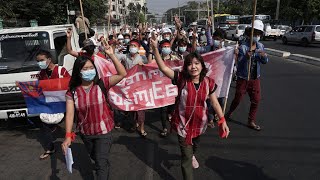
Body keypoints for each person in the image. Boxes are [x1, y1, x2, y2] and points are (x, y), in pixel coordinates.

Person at [150, 37, 230, 180]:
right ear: (185, 67)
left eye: (196, 63)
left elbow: (215, 103)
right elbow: (162, 67)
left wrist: (222, 120)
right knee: (186, 159)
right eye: (190, 64)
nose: (193, 67)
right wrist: (155, 48)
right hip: (183, 126)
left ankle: (192, 153)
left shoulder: (208, 83)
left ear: (202, 65)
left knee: (194, 146)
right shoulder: (181, 79)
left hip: (200, 124)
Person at [61, 43, 127, 180]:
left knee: (100, 163)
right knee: (96, 158)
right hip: (86, 133)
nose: (89, 71)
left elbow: (122, 73)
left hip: (104, 132)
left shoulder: (102, 84)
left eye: (91, 68)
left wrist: (111, 55)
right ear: (78, 71)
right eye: (85, 69)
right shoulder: (72, 92)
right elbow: (70, 114)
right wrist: (68, 135)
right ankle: (101, 164)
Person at [225, 20, 269, 131]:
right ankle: (229, 113)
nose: (256, 36)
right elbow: (238, 64)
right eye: (255, 33)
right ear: (249, 34)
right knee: (238, 99)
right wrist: (246, 57)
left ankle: (251, 121)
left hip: (255, 78)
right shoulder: (243, 47)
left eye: (259, 34)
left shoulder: (261, 46)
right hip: (243, 78)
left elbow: (265, 61)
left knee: (256, 100)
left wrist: (263, 56)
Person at [36, 49, 70, 160]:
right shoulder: (41, 74)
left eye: (41, 60)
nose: (39, 63)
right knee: (45, 125)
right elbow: (39, 89)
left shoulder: (61, 71)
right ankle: (50, 148)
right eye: (38, 61)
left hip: (63, 103)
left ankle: (68, 142)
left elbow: (70, 85)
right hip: (49, 103)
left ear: (49, 60)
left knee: (69, 122)